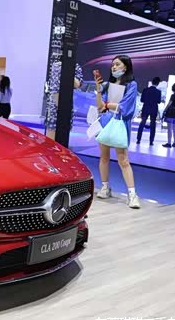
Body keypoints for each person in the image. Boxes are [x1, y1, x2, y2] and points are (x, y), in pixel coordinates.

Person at [95, 55, 140, 209]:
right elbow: (100, 106)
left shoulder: (132, 85)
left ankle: (132, 195)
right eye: (112, 64)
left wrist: (108, 105)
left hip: (120, 124)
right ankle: (105, 187)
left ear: (125, 67)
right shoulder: (108, 85)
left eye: (117, 64)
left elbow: (125, 107)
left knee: (123, 159)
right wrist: (99, 89)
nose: (113, 67)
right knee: (104, 157)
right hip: (105, 122)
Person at [45, 62, 84, 140]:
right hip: (53, 108)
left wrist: (69, 68)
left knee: (63, 136)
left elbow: (77, 84)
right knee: (51, 137)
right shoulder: (55, 65)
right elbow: (53, 87)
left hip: (66, 105)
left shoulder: (75, 66)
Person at [136, 77, 162, 146]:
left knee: (142, 124)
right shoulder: (158, 92)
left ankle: (138, 140)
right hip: (154, 109)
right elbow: (159, 101)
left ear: (152, 82)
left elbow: (142, 100)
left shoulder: (145, 90)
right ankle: (151, 141)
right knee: (153, 125)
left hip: (146, 108)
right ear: (158, 83)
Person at [162, 83, 175, 148]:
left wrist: (165, 110)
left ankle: (169, 143)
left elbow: (169, 104)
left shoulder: (173, 96)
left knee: (169, 129)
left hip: (171, 114)